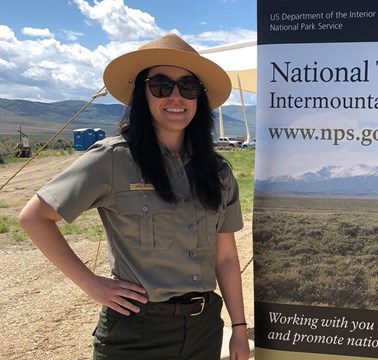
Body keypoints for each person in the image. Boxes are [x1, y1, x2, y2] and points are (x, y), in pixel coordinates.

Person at [18, 33, 250, 360]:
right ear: (142, 94)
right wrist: (91, 284)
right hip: (135, 334)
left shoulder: (217, 172)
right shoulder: (113, 159)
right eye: (160, 86)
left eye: (188, 87)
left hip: (204, 329)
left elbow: (225, 257)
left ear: (199, 97)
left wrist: (238, 328)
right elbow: (34, 216)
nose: (175, 96)